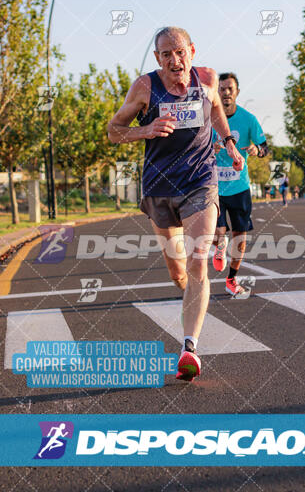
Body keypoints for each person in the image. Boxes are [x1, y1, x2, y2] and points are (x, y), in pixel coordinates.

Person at [108, 27, 244, 381]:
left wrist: (228, 142)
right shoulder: (144, 87)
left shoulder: (208, 79)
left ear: (192, 51)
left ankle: (189, 347)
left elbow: (215, 110)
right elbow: (113, 130)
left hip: (200, 180)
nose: (174, 60)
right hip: (159, 188)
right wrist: (146, 129)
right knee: (179, 272)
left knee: (199, 263)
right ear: (157, 58)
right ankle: (191, 296)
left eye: (180, 52)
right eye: (166, 54)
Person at [211, 72, 269, 297]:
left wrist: (256, 150)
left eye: (229, 89)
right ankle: (219, 245)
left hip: (240, 188)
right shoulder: (209, 118)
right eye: (222, 89)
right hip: (214, 188)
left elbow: (265, 147)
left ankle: (231, 280)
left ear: (237, 92)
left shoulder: (248, 119)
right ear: (216, 92)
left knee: (241, 241)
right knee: (218, 232)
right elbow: (194, 147)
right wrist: (210, 148)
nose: (225, 93)